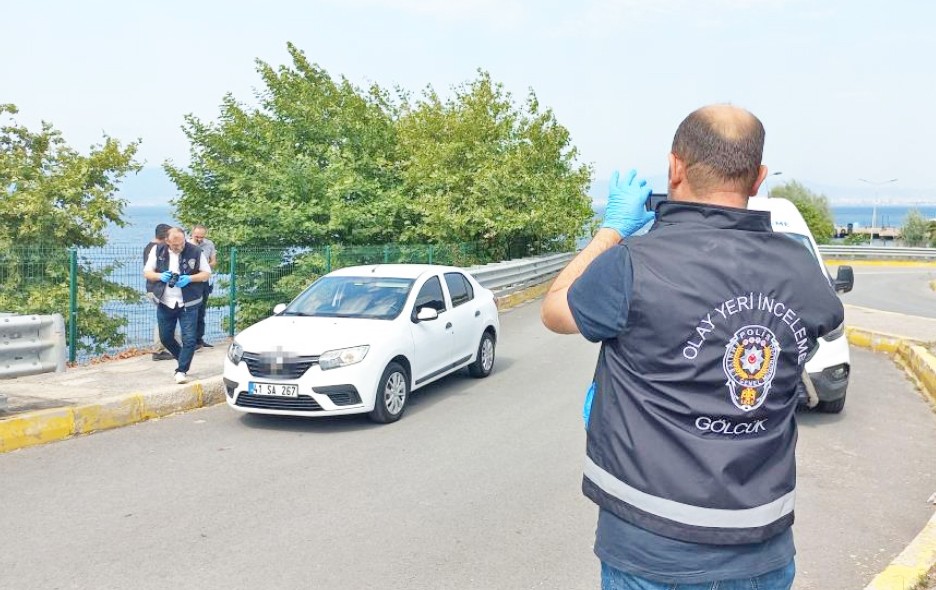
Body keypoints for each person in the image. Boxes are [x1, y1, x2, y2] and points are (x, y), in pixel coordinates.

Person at [540, 105, 844, 589]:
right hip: (761, 551)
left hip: (651, 549)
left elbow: (555, 310)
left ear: (675, 167)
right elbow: (814, 329)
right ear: (759, 177)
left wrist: (611, 230)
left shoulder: (634, 263)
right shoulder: (801, 270)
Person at [143, 227, 212, 384]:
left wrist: (189, 278)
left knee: (189, 339)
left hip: (189, 302)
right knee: (165, 337)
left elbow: (206, 273)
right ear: (167, 241)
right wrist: (161, 276)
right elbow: (147, 272)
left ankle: (181, 370)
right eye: (175, 245)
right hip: (165, 301)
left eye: (181, 243)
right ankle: (182, 357)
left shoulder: (194, 251)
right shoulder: (157, 250)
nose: (179, 247)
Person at [144, 223, 174, 361]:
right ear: (164, 237)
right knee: (164, 318)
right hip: (158, 289)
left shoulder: (149, 247)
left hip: (154, 288)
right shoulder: (157, 249)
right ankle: (158, 350)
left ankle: (167, 346)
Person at [189, 224, 217, 349]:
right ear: (192, 234)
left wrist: (205, 267)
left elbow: (214, 261)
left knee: (201, 311)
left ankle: (199, 339)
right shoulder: (186, 244)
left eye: (201, 237)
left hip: (204, 280)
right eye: (197, 237)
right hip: (190, 282)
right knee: (191, 311)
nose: (199, 239)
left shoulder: (209, 244)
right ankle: (190, 340)